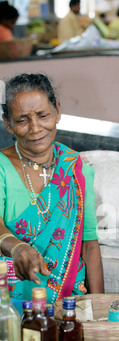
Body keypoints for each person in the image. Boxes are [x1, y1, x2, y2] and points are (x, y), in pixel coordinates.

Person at [0, 73, 103, 303]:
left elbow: (89, 245)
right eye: (22, 120)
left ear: (57, 111)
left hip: (67, 305)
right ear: (8, 124)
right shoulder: (1, 168)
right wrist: (16, 247)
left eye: (43, 115)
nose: (36, 128)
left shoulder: (76, 170)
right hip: (9, 302)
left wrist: (99, 310)